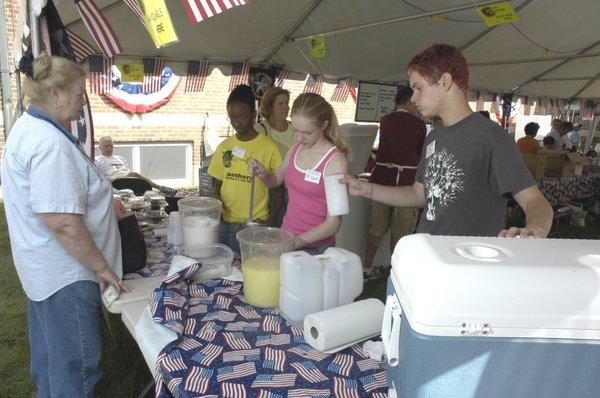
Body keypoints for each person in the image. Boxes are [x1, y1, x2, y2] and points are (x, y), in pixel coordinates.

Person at [1, 53, 130, 397]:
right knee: (77, 370)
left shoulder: (28, 128)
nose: (81, 101)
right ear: (56, 94)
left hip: (43, 272)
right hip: (66, 277)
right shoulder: (49, 144)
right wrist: (103, 267)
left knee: (51, 363)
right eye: (77, 93)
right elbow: (62, 222)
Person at [344, 44, 553, 238]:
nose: (413, 98)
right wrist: (366, 189)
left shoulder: (492, 138)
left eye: (419, 88)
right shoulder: (435, 136)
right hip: (428, 257)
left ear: (444, 82)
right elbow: (418, 194)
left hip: (464, 267)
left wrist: (534, 231)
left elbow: (535, 201)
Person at [249, 93, 349, 254]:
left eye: (307, 132)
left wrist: (298, 242)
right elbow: (275, 180)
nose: (300, 138)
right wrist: (264, 174)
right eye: (296, 130)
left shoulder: (335, 161)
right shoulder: (296, 148)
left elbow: (334, 223)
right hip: (287, 237)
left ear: (324, 125)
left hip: (316, 248)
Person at [208, 85, 282, 253]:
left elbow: (279, 191)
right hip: (224, 222)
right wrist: (214, 199)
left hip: (252, 225)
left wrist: (270, 223)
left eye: (243, 116)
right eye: (232, 117)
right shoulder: (224, 146)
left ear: (254, 115)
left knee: (244, 272)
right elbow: (217, 184)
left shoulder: (269, 148)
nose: (237, 122)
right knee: (224, 268)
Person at [363, 85, 426, 279]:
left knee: (376, 230)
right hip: (408, 183)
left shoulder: (385, 120)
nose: (416, 105)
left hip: (381, 179)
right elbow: (421, 154)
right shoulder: (419, 125)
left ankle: (366, 268)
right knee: (401, 234)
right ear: (408, 102)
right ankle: (396, 273)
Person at [255, 87, 297, 226]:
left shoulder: (296, 129)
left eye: (287, 103)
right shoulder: (260, 130)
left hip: (292, 189)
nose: (286, 107)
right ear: (270, 107)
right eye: (281, 104)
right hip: (269, 189)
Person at [95, 136, 177, 195]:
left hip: (129, 180)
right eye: (106, 146)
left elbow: (126, 170)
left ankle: (158, 191)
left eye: (111, 146)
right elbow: (97, 175)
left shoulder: (120, 158)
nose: (109, 148)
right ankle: (160, 188)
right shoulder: (97, 160)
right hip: (114, 181)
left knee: (136, 178)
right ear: (100, 147)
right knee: (134, 174)